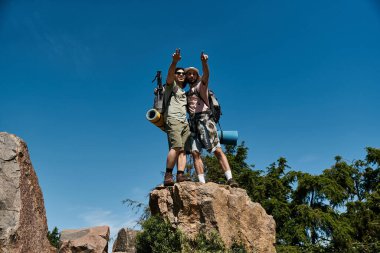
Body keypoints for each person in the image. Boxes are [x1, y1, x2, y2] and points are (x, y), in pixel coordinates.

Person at [185, 52, 238, 187]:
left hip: (205, 120)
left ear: (197, 76)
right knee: (195, 153)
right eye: (188, 74)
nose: (191, 76)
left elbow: (207, 75)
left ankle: (230, 179)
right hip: (193, 124)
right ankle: (202, 183)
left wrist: (204, 63)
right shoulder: (186, 94)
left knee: (217, 150)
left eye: (193, 74)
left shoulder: (201, 87)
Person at [161, 49, 191, 186]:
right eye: (178, 73)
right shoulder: (171, 86)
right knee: (176, 146)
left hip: (184, 122)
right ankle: (168, 175)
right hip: (173, 119)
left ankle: (180, 175)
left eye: (183, 74)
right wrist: (174, 62)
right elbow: (168, 76)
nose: (181, 75)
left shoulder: (184, 92)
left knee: (183, 150)